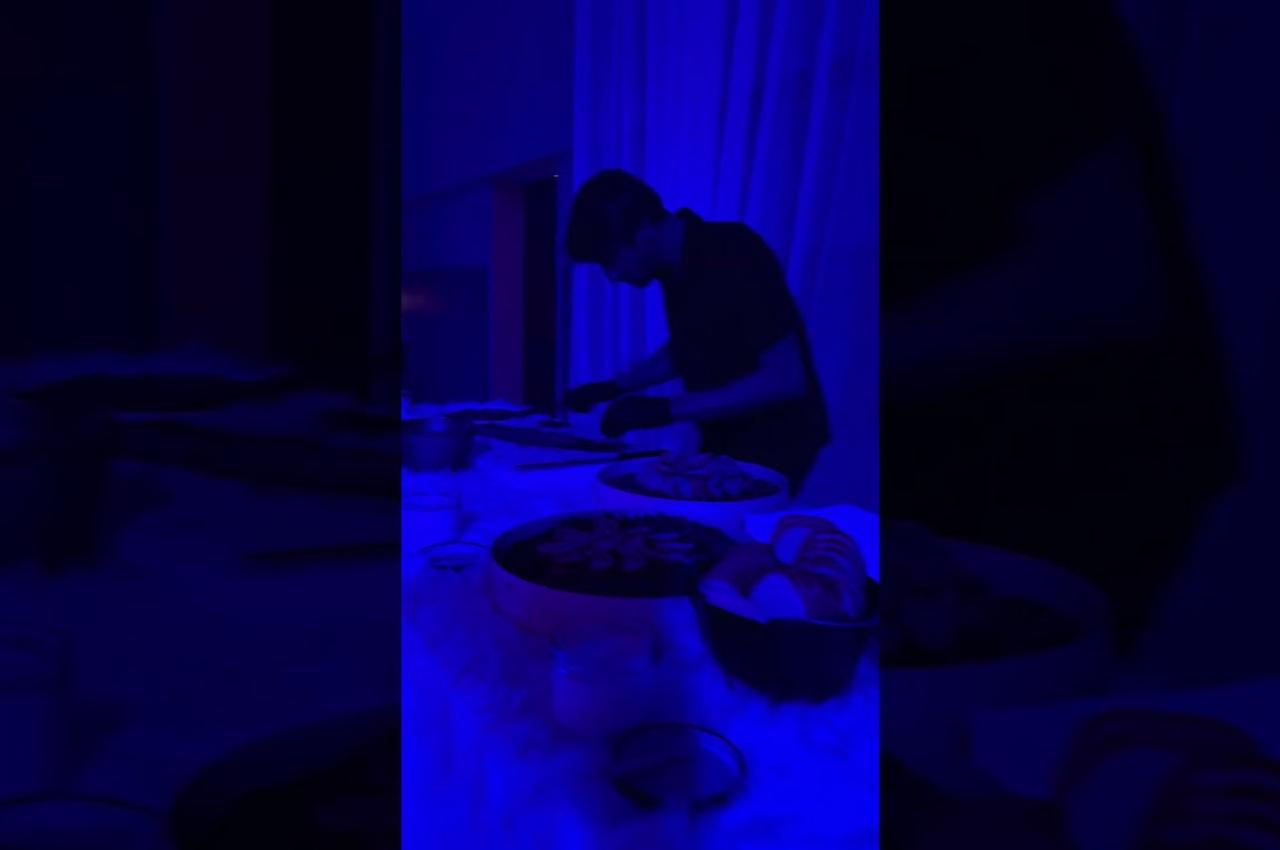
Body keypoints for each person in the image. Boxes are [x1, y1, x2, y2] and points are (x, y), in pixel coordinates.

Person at [882, 0, 1238, 650]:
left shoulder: (995, 23)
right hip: (949, 482)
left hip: (1055, 485)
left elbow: (1104, 275)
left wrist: (832, 360)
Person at [562, 170, 831, 496]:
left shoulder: (735, 252)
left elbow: (785, 378)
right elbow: (690, 345)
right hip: (726, 434)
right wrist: (613, 387)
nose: (613, 276)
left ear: (644, 227)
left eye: (611, 259)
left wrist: (666, 410)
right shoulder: (673, 269)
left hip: (776, 439)